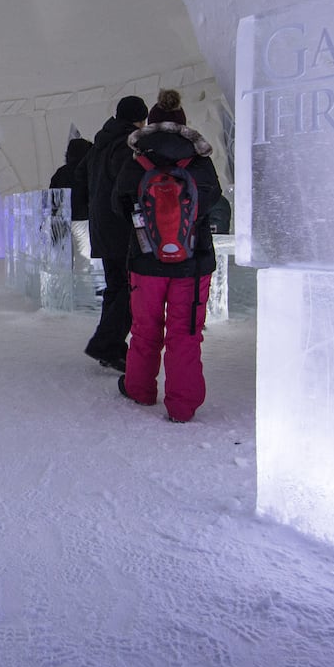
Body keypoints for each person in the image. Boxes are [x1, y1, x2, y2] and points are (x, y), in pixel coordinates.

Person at [111, 89, 222, 422]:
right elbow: (212, 201)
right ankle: (182, 405)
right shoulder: (199, 161)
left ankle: (140, 389)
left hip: (145, 262)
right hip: (193, 262)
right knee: (185, 333)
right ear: (183, 125)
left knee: (145, 328)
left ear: (152, 125)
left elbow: (119, 206)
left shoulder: (137, 160)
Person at [74, 95, 148, 373]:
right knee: (130, 290)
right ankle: (106, 344)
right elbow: (128, 184)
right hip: (122, 227)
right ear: (139, 118)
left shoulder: (101, 143)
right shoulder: (128, 144)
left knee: (116, 287)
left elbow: (80, 177)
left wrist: (90, 211)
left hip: (103, 226)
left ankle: (112, 348)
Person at [48, 135, 93, 259]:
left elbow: (51, 198)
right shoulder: (88, 171)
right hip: (83, 218)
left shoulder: (60, 172)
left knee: (63, 257)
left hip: (62, 219)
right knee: (85, 258)